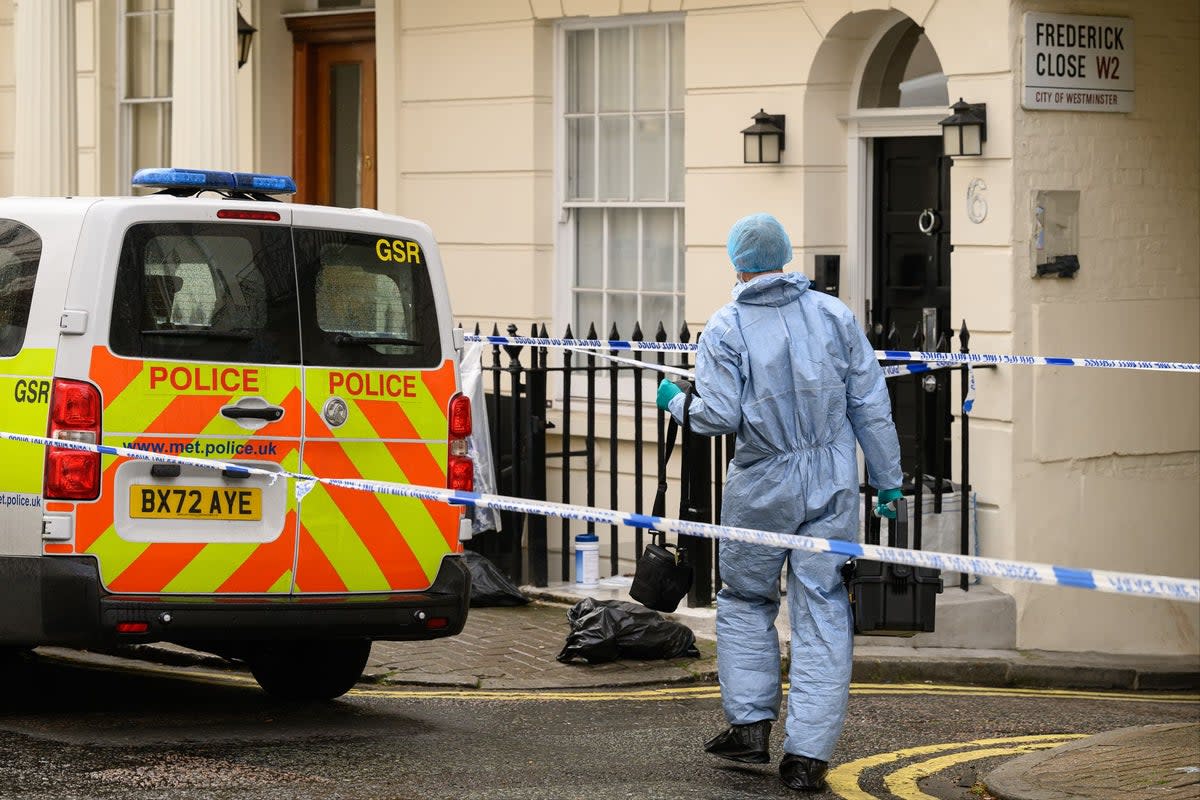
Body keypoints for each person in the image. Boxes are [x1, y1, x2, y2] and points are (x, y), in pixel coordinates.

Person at [656, 213, 903, 792]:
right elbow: (870, 404)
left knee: (745, 598)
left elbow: (714, 417)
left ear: (737, 263)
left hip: (763, 481)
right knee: (822, 608)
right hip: (834, 479)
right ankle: (807, 758)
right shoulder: (835, 316)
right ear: (786, 256)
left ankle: (749, 727)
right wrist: (888, 479)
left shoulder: (726, 327)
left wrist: (673, 399)